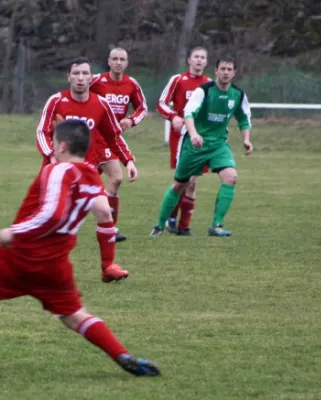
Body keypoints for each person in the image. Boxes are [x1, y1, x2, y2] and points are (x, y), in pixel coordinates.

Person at [0, 119, 160, 377]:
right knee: (74, 316)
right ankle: (121, 355)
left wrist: (14, 231)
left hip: (22, 254)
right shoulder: (91, 174)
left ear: (62, 146)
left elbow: (52, 215)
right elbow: (104, 212)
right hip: (56, 263)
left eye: (54, 142)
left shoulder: (57, 170)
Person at [36, 57, 138, 283]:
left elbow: (113, 137)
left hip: (86, 172)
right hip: (58, 174)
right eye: (76, 74)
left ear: (91, 78)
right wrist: (51, 156)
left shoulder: (100, 104)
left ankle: (108, 267)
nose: (80, 78)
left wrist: (128, 160)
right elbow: (42, 132)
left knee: (104, 211)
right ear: (69, 77)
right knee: (53, 221)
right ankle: (39, 266)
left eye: (85, 74)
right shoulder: (56, 101)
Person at [150, 56, 253, 237]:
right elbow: (189, 113)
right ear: (216, 71)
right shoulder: (204, 90)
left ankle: (216, 225)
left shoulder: (238, 94)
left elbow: (244, 118)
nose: (226, 72)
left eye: (229, 69)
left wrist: (246, 139)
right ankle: (159, 225)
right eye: (223, 69)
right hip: (195, 144)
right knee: (180, 185)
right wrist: (194, 134)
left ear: (234, 73)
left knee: (231, 177)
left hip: (218, 145)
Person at [90, 47, 148, 242]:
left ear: (127, 63)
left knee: (115, 179)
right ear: (108, 61)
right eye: (115, 59)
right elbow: (77, 93)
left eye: (122, 59)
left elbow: (142, 107)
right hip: (92, 137)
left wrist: (131, 121)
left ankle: (110, 229)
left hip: (111, 138)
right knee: (83, 183)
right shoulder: (96, 80)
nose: (118, 62)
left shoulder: (131, 84)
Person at [156, 46, 211, 235]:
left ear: (206, 62)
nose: (198, 60)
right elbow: (161, 103)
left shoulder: (210, 84)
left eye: (202, 57)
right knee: (183, 180)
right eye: (196, 57)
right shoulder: (178, 80)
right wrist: (173, 117)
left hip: (200, 138)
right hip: (180, 138)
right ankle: (172, 218)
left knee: (193, 182)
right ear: (189, 60)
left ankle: (183, 226)